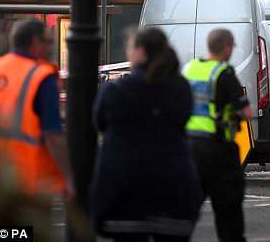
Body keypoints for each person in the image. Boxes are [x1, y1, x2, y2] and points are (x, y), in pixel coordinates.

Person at [91, 28, 202, 241]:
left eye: (129, 48)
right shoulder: (181, 89)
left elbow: (99, 123)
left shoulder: (115, 91)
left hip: (124, 193)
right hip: (174, 189)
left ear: (140, 51)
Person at [184, 28, 252, 242]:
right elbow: (246, 112)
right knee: (228, 214)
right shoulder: (224, 73)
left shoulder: (189, 69)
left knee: (186, 211)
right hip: (218, 151)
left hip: (188, 148)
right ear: (227, 48)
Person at [0, 18, 71, 196]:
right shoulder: (42, 77)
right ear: (35, 42)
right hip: (26, 182)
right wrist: (69, 178)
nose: (52, 47)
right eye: (49, 41)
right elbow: (53, 136)